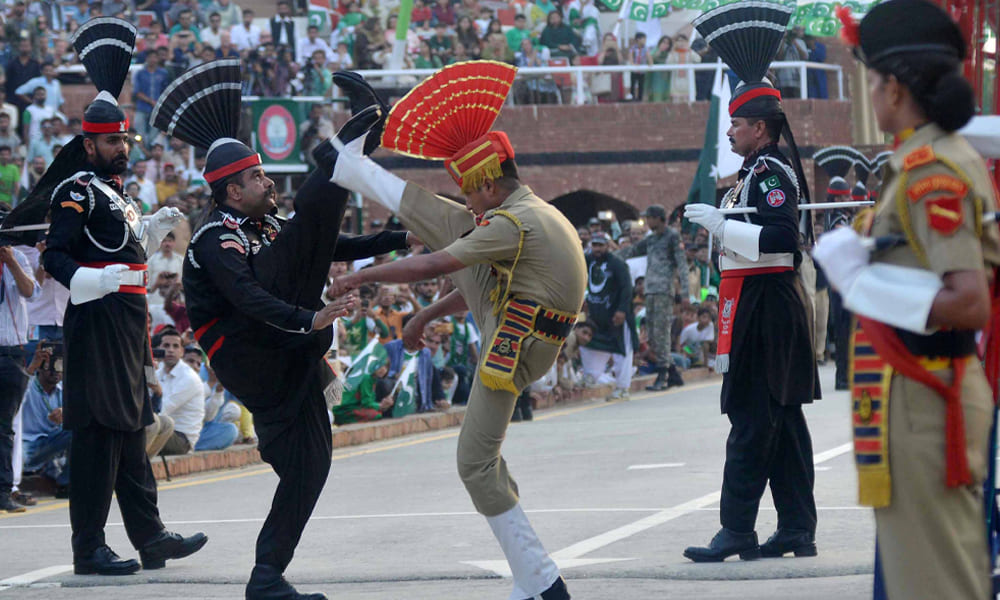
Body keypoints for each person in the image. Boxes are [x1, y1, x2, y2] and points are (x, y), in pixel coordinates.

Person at [158, 61, 412, 599]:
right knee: (309, 220)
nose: (268, 180)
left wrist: (398, 238)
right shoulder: (213, 238)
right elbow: (248, 299)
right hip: (253, 350)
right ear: (231, 192)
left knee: (311, 468)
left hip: (287, 351)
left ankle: (266, 577)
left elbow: (325, 244)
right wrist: (311, 318)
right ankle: (340, 153)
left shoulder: (265, 222)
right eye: (256, 177)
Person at [326, 63, 579, 600]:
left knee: (474, 464)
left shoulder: (512, 223)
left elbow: (434, 264)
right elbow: (477, 280)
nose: (468, 201)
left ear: (489, 182)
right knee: (453, 225)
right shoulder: (532, 215)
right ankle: (353, 167)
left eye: (470, 191)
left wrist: (362, 274)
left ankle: (541, 581)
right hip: (524, 330)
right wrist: (423, 317)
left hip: (512, 347)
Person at [814, 2, 1000, 598]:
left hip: (925, 396)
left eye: (871, 80)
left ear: (893, 87)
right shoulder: (923, 160)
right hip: (917, 391)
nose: (870, 94)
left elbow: (968, 302)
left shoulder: (931, 170)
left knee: (935, 584)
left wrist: (861, 282)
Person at [40, 18, 206, 576]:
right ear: (89, 142)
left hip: (129, 322)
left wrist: (151, 232)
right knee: (98, 437)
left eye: (125, 140)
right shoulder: (77, 191)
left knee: (132, 433)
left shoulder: (120, 196)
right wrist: (99, 279)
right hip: (96, 321)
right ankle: (87, 547)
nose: (122, 149)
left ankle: (151, 538)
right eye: (112, 141)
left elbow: (126, 252)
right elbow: (55, 257)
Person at [683, 2, 819, 562]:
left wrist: (721, 226)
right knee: (781, 422)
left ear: (758, 126)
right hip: (759, 302)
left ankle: (736, 528)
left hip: (767, 305)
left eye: (737, 124)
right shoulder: (754, 174)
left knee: (753, 420)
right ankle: (795, 529)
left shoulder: (769, 173)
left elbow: (784, 237)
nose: (732, 132)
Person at [616, 204, 688, 390]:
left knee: (661, 332)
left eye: (649, 218)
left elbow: (682, 265)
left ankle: (663, 375)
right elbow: (630, 251)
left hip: (664, 290)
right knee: (653, 334)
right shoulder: (650, 240)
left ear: (658, 218)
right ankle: (673, 374)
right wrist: (609, 256)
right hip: (650, 290)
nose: (647, 222)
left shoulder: (672, 236)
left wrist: (685, 292)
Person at [0, 241, 39, 513]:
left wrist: (10, 261)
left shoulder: (19, 257)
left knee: (4, 427)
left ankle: (3, 491)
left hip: (10, 352)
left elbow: (30, 291)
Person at [580, 232, 636, 400]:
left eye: (600, 245)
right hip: (596, 316)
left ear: (607, 246)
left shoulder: (617, 264)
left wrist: (622, 311)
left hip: (616, 316)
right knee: (589, 345)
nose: (597, 249)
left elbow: (627, 288)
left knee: (622, 351)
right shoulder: (587, 261)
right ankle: (590, 376)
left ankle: (622, 388)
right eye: (594, 245)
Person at [21, 342, 70, 495]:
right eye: (50, 367)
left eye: (59, 368)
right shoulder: (28, 386)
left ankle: (66, 483)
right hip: (28, 446)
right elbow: (19, 386)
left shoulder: (63, 390)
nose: (55, 373)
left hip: (50, 444)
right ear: (40, 368)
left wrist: (67, 412)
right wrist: (32, 366)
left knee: (78, 428)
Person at [154, 327, 204, 455]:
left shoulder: (189, 378)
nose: (170, 350)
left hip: (181, 439)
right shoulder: (157, 372)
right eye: (166, 345)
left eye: (175, 346)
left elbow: (162, 410)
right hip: (161, 429)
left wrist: (156, 391)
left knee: (140, 431)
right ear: (159, 349)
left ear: (182, 352)